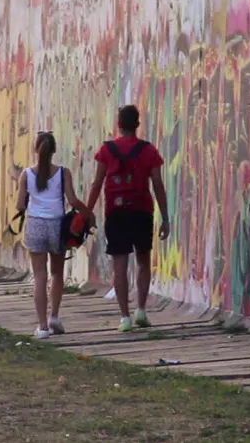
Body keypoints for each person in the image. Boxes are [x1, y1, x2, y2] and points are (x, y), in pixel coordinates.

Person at [85, 105, 170, 332]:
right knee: (143, 261)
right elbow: (158, 185)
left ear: (119, 124)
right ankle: (141, 310)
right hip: (142, 211)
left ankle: (125, 318)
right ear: (137, 124)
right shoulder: (148, 151)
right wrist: (166, 217)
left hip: (116, 212)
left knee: (120, 265)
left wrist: (87, 212)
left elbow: (97, 183)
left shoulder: (107, 150)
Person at [15, 132, 93, 339]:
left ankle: (42, 327)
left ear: (35, 149)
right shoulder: (63, 173)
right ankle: (54, 317)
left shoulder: (26, 175)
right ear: (54, 150)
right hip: (57, 226)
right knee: (57, 273)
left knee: (39, 275)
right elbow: (73, 200)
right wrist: (89, 214)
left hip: (35, 226)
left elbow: (19, 205)